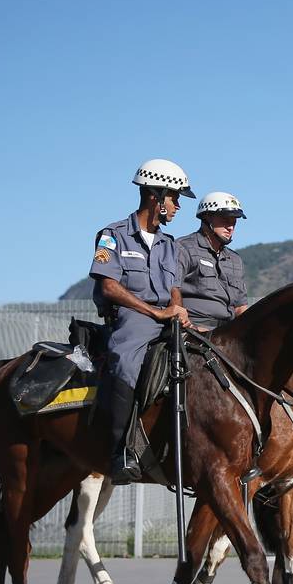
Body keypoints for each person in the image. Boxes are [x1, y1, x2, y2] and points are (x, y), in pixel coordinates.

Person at [90, 158, 193, 485]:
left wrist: (177, 309)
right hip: (132, 317)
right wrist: (155, 312)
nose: (177, 206)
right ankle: (121, 451)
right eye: (174, 198)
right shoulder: (112, 236)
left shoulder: (169, 244)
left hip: (166, 317)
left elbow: (174, 288)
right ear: (155, 196)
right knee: (126, 360)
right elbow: (108, 286)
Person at [176, 192, 249, 331]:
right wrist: (190, 327)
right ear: (207, 217)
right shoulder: (183, 248)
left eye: (234, 221)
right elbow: (171, 291)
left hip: (229, 333)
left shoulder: (235, 260)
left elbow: (241, 308)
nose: (231, 227)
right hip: (194, 331)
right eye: (226, 220)